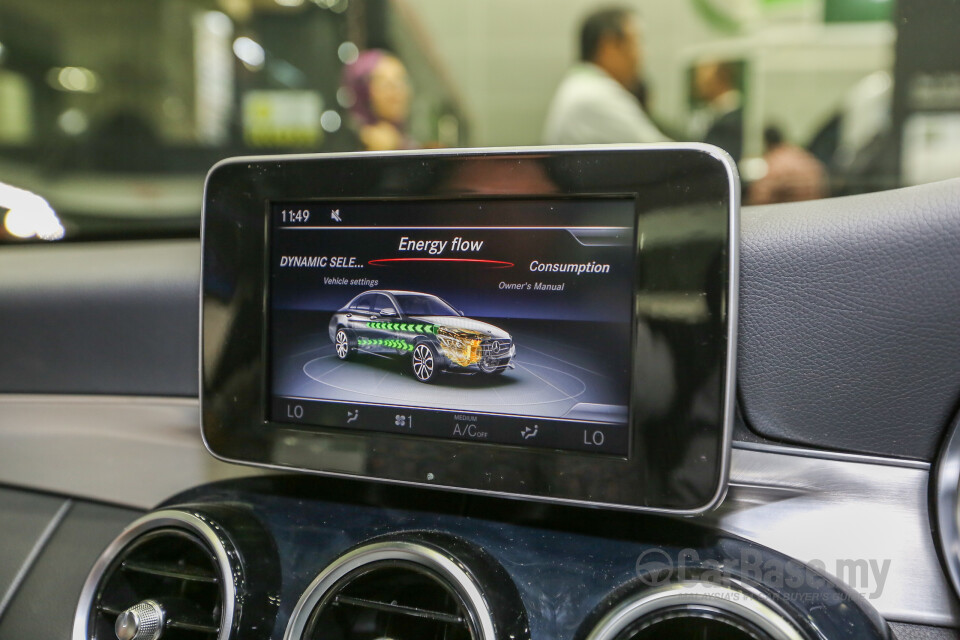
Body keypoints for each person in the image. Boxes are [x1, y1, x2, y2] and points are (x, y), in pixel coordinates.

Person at [543, 7, 668, 145]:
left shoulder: (582, 85)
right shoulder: (595, 95)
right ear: (609, 46)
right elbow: (671, 155)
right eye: (636, 42)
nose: (643, 54)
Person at [340, 49, 417, 151]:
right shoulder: (351, 143)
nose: (398, 92)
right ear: (363, 92)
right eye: (386, 84)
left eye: (402, 81)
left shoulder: (404, 139)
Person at [748, 126, 828, 205]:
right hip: (814, 208)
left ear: (766, 142)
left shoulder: (775, 161)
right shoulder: (802, 154)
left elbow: (760, 197)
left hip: (790, 212)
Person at [692, 60, 743, 164]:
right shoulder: (713, 114)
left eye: (704, 71)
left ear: (722, 75)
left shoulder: (734, 119)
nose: (697, 81)